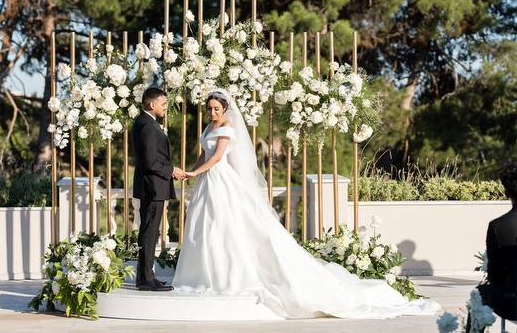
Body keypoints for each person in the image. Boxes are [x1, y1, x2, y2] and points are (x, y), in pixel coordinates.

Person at [172, 88, 440, 319]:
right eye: (209, 109)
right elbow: (203, 154)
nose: (211, 112)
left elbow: (218, 156)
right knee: (207, 225)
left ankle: (229, 274)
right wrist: (189, 171)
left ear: (225, 108)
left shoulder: (228, 127)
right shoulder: (208, 127)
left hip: (221, 180)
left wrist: (198, 172)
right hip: (208, 181)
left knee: (225, 223)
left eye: (216, 108)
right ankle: (204, 274)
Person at [132, 87, 185, 292]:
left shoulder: (145, 122)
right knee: (149, 233)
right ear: (152, 104)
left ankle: (144, 277)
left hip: (152, 187)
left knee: (149, 231)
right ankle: (146, 279)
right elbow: (151, 162)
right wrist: (173, 170)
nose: (165, 107)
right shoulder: (147, 126)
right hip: (152, 187)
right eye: (163, 104)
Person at [478, 162, 517, 320]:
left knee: (479, 293)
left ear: (506, 193)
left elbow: (495, 276)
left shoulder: (497, 226)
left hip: (512, 304)